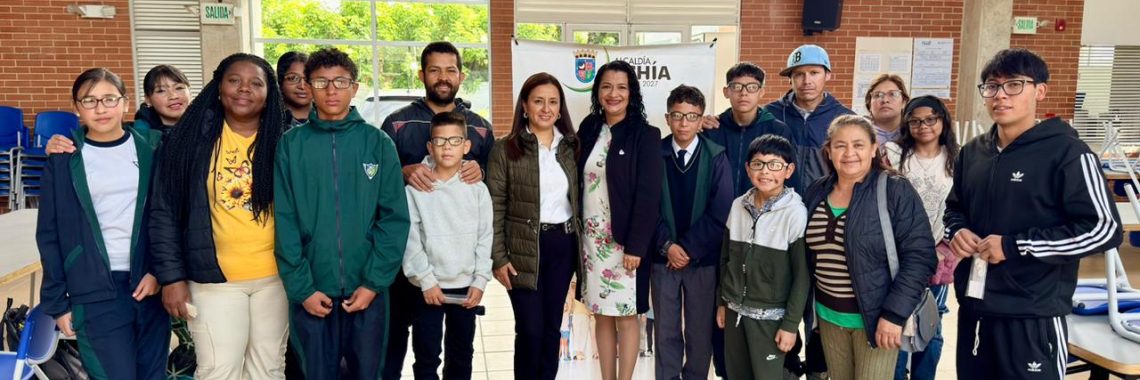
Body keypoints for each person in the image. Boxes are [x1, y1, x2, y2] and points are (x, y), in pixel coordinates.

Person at [945, 48, 1123, 380]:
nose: (1000, 95)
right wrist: (956, 232)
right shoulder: (973, 153)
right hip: (976, 310)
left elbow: (1104, 228)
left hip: (1032, 315)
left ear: (1040, 90)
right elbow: (954, 209)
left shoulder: (1068, 153)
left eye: (1014, 85)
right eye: (991, 86)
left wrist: (1014, 246)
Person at [150, 53, 289, 380]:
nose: (244, 89)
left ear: (269, 93)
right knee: (219, 370)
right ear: (218, 86)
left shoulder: (285, 140)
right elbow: (164, 213)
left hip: (276, 279)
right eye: (234, 81)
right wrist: (171, 278)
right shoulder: (188, 142)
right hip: (215, 281)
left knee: (268, 369)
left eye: (256, 83)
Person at [274, 47, 410, 380]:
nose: (331, 90)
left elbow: (393, 219)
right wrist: (302, 288)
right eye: (321, 82)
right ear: (308, 87)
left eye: (340, 81)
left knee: (368, 374)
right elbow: (284, 220)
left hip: (367, 290)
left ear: (355, 87)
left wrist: (374, 283)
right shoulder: (292, 145)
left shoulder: (377, 143)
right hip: (312, 291)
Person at [37, 68, 169, 380]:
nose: (100, 108)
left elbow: (169, 218)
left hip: (147, 286)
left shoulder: (152, 148)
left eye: (109, 99)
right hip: (94, 292)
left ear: (125, 103)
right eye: (90, 100)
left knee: (153, 375)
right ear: (76, 108)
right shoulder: (64, 157)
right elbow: (50, 233)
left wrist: (159, 272)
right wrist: (57, 302)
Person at [381, 41, 495, 379]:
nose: (443, 77)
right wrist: (403, 172)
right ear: (422, 74)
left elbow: (489, 180)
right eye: (435, 70)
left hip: (461, 269)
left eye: (450, 70)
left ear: (460, 75)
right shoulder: (397, 123)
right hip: (414, 270)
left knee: (461, 352)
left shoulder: (479, 126)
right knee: (411, 344)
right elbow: (381, 181)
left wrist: (482, 171)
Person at [800, 115, 936, 380]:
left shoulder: (894, 190)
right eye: (840, 145)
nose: (849, 153)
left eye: (859, 145)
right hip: (828, 318)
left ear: (874, 148)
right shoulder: (816, 192)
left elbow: (920, 257)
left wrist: (894, 315)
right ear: (829, 150)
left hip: (875, 320)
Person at [764, 44, 856, 379]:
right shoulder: (771, 114)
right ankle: (787, 368)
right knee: (783, 297)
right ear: (790, 78)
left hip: (825, 225)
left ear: (827, 75)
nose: (806, 81)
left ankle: (818, 370)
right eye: (798, 74)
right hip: (780, 223)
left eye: (814, 73)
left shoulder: (844, 119)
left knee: (820, 304)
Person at [487, 72, 580, 380]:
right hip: (523, 248)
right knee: (530, 330)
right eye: (538, 101)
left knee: (551, 328)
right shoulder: (505, 149)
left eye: (553, 102)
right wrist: (498, 258)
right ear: (524, 106)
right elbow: (494, 207)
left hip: (562, 246)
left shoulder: (571, 147)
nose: (546, 108)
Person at [577, 60, 663, 380]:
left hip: (626, 243)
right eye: (607, 87)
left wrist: (637, 246)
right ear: (598, 91)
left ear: (632, 92)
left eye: (622, 87)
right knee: (600, 315)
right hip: (590, 241)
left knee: (627, 316)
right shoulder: (588, 128)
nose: (614, 94)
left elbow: (648, 195)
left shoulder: (645, 135)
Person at [402, 111, 493, 380]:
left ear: (466, 146)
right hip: (428, 287)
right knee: (427, 356)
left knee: (462, 354)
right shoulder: (415, 188)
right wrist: (426, 280)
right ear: (430, 146)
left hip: (465, 287)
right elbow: (410, 238)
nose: (447, 147)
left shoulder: (477, 189)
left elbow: (485, 236)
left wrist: (479, 281)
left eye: (454, 141)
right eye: (440, 141)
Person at [652, 84, 732, 380]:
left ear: (701, 120)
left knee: (700, 331)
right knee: (665, 331)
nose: (684, 123)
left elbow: (720, 210)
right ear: (667, 117)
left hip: (702, 260)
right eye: (677, 115)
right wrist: (667, 246)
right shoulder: (655, 153)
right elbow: (647, 208)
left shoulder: (716, 156)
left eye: (691, 116)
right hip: (663, 258)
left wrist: (686, 249)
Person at [717, 134, 809, 379]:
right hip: (735, 312)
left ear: (788, 171)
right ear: (748, 169)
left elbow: (802, 276)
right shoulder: (738, 205)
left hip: (772, 319)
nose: (766, 171)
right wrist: (722, 303)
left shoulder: (795, 213)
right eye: (758, 164)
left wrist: (790, 326)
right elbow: (726, 258)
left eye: (775, 165)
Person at [884, 96, 959, 380]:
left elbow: (963, 206)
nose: (923, 126)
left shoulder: (957, 157)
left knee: (931, 320)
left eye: (930, 119)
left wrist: (951, 246)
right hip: (896, 252)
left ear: (942, 121)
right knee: (897, 316)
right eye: (915, 120)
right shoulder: (893, 153)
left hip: (938, 253)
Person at [44, 64, 192, 154]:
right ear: (148, 99)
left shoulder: (209, 126)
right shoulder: (138, 137)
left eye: (179, 88)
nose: (173, 96)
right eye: (161, 91)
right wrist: (61, 145)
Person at [700, 62, 799, 195]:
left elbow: (791, 180)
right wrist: (694, 125)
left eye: (752, 87)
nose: (744, 93)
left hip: (763, 210)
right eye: (736, 87)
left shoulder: (778, 131)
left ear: (761, 92)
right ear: (726, 92)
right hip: (719, 211)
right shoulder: (712, 129)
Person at [865, 74, 910, 145]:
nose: (885, 100)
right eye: (877, 95)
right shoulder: (857, 131)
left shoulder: (914, 133)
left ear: (904, 102)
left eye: (892, 94)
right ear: (869, 104)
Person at [276, 51, 312, 126]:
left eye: (308, 79)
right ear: (280, 81)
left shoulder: (332, 117)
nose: (302, 86)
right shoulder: (268, 120)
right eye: (293, 78)